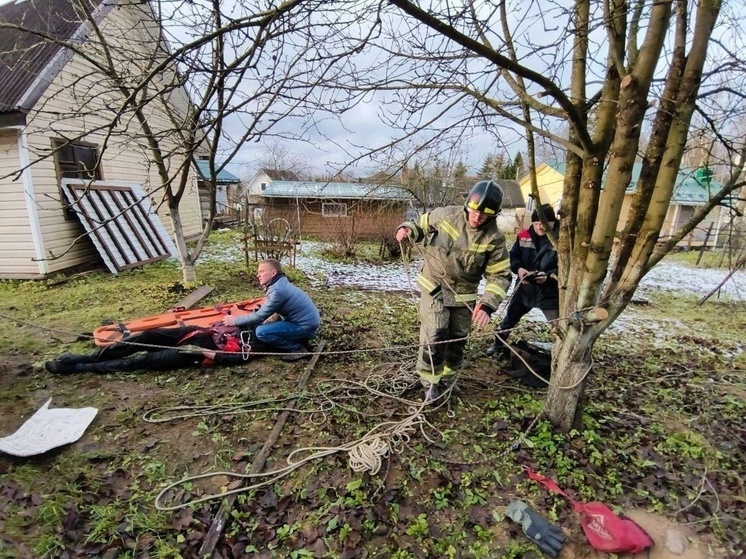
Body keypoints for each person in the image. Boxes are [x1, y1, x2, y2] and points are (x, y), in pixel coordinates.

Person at [395, 180, 512, 402]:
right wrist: (406, 229)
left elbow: (500, 275)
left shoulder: (494, 239)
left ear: (493, 215)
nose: (477, 218)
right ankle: (430, 383)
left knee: (457, 339)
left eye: (484, 215)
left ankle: (448, 380)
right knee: (436, 333)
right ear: (467, 206)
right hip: (434, 287)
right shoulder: (446, 215)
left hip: (464, 296)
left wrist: (487, 305)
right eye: (474, 212)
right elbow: (419, 225)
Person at [485, 203, 559, 358]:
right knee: (509, 320)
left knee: (559, 327)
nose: (540, 227)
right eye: (537, 223)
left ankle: (563, 355)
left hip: (550, 292)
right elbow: (514, 257)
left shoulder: (561, 240)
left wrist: (548, 277)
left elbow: (566, 268)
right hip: (524, 289)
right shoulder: (523, 235)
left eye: (544, 223)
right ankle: (497, 346)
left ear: (553, 222)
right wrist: (519, 270)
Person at [222, 258, 320, 361]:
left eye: (262, 271)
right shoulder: (279, 284)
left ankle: (297, 348)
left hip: (305, 327)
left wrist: (234, 320)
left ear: (273, 273)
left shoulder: (278, 291)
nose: (258, 275)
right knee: (266, 324)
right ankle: (300, 339)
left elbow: (259, 316)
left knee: (261, 332)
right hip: (308, 324)